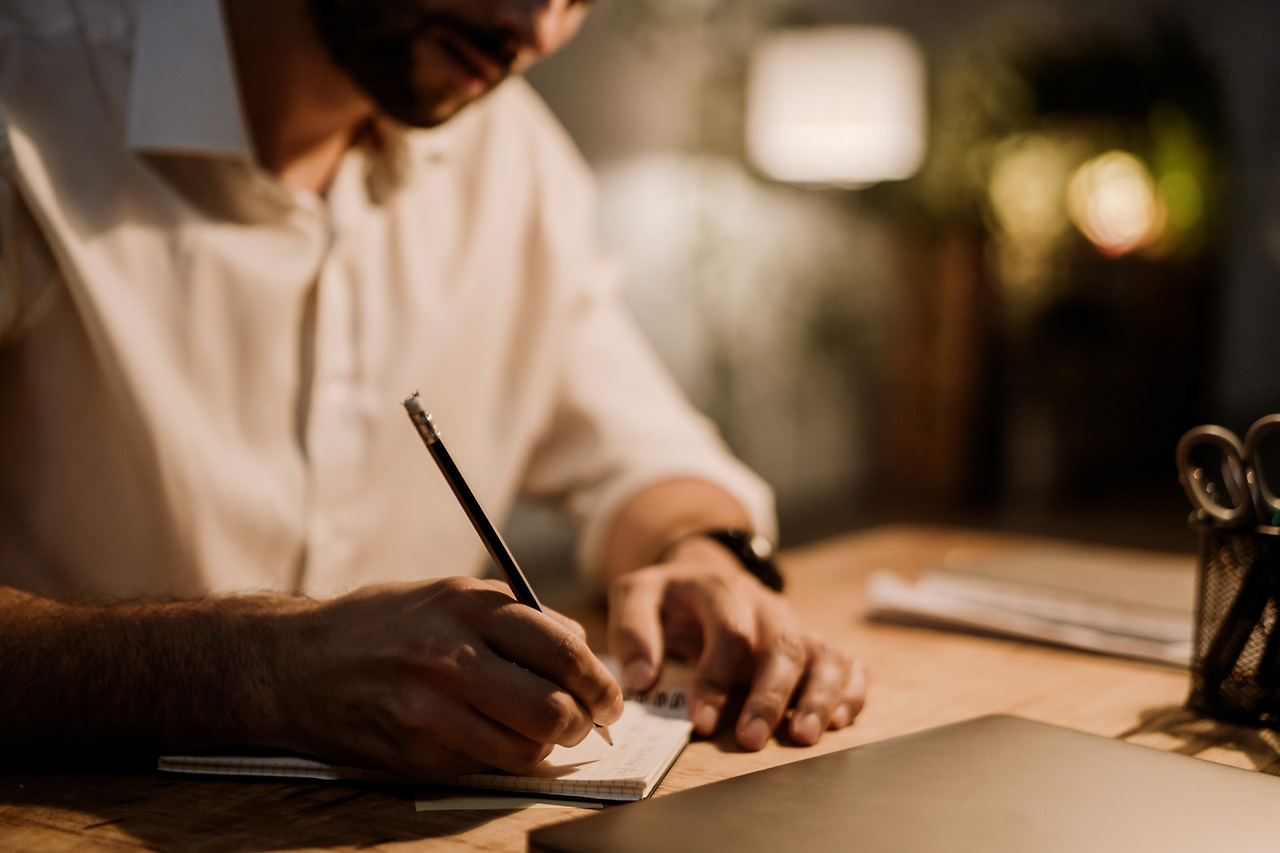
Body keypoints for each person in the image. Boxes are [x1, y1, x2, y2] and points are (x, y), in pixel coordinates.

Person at [0, 0, 865, 781]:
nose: (536, 32)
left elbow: (643, 453)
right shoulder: (27, 102)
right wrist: (259, 669)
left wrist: (703, 557)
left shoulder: (509, 155)